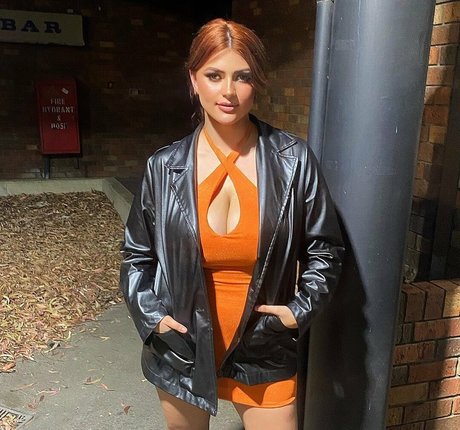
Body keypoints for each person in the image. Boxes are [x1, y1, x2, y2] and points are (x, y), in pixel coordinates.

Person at [119, 18, 344, 430]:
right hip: (182, 345)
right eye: (214, 75)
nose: (228, 91)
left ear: (256, 82)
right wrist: (152, 318)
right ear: (193, 80)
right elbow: (136, 255)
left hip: (264, 344)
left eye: (242, 76)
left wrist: (298, 311)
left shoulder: (293, 160)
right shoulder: (164, 167)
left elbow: (326, 250)